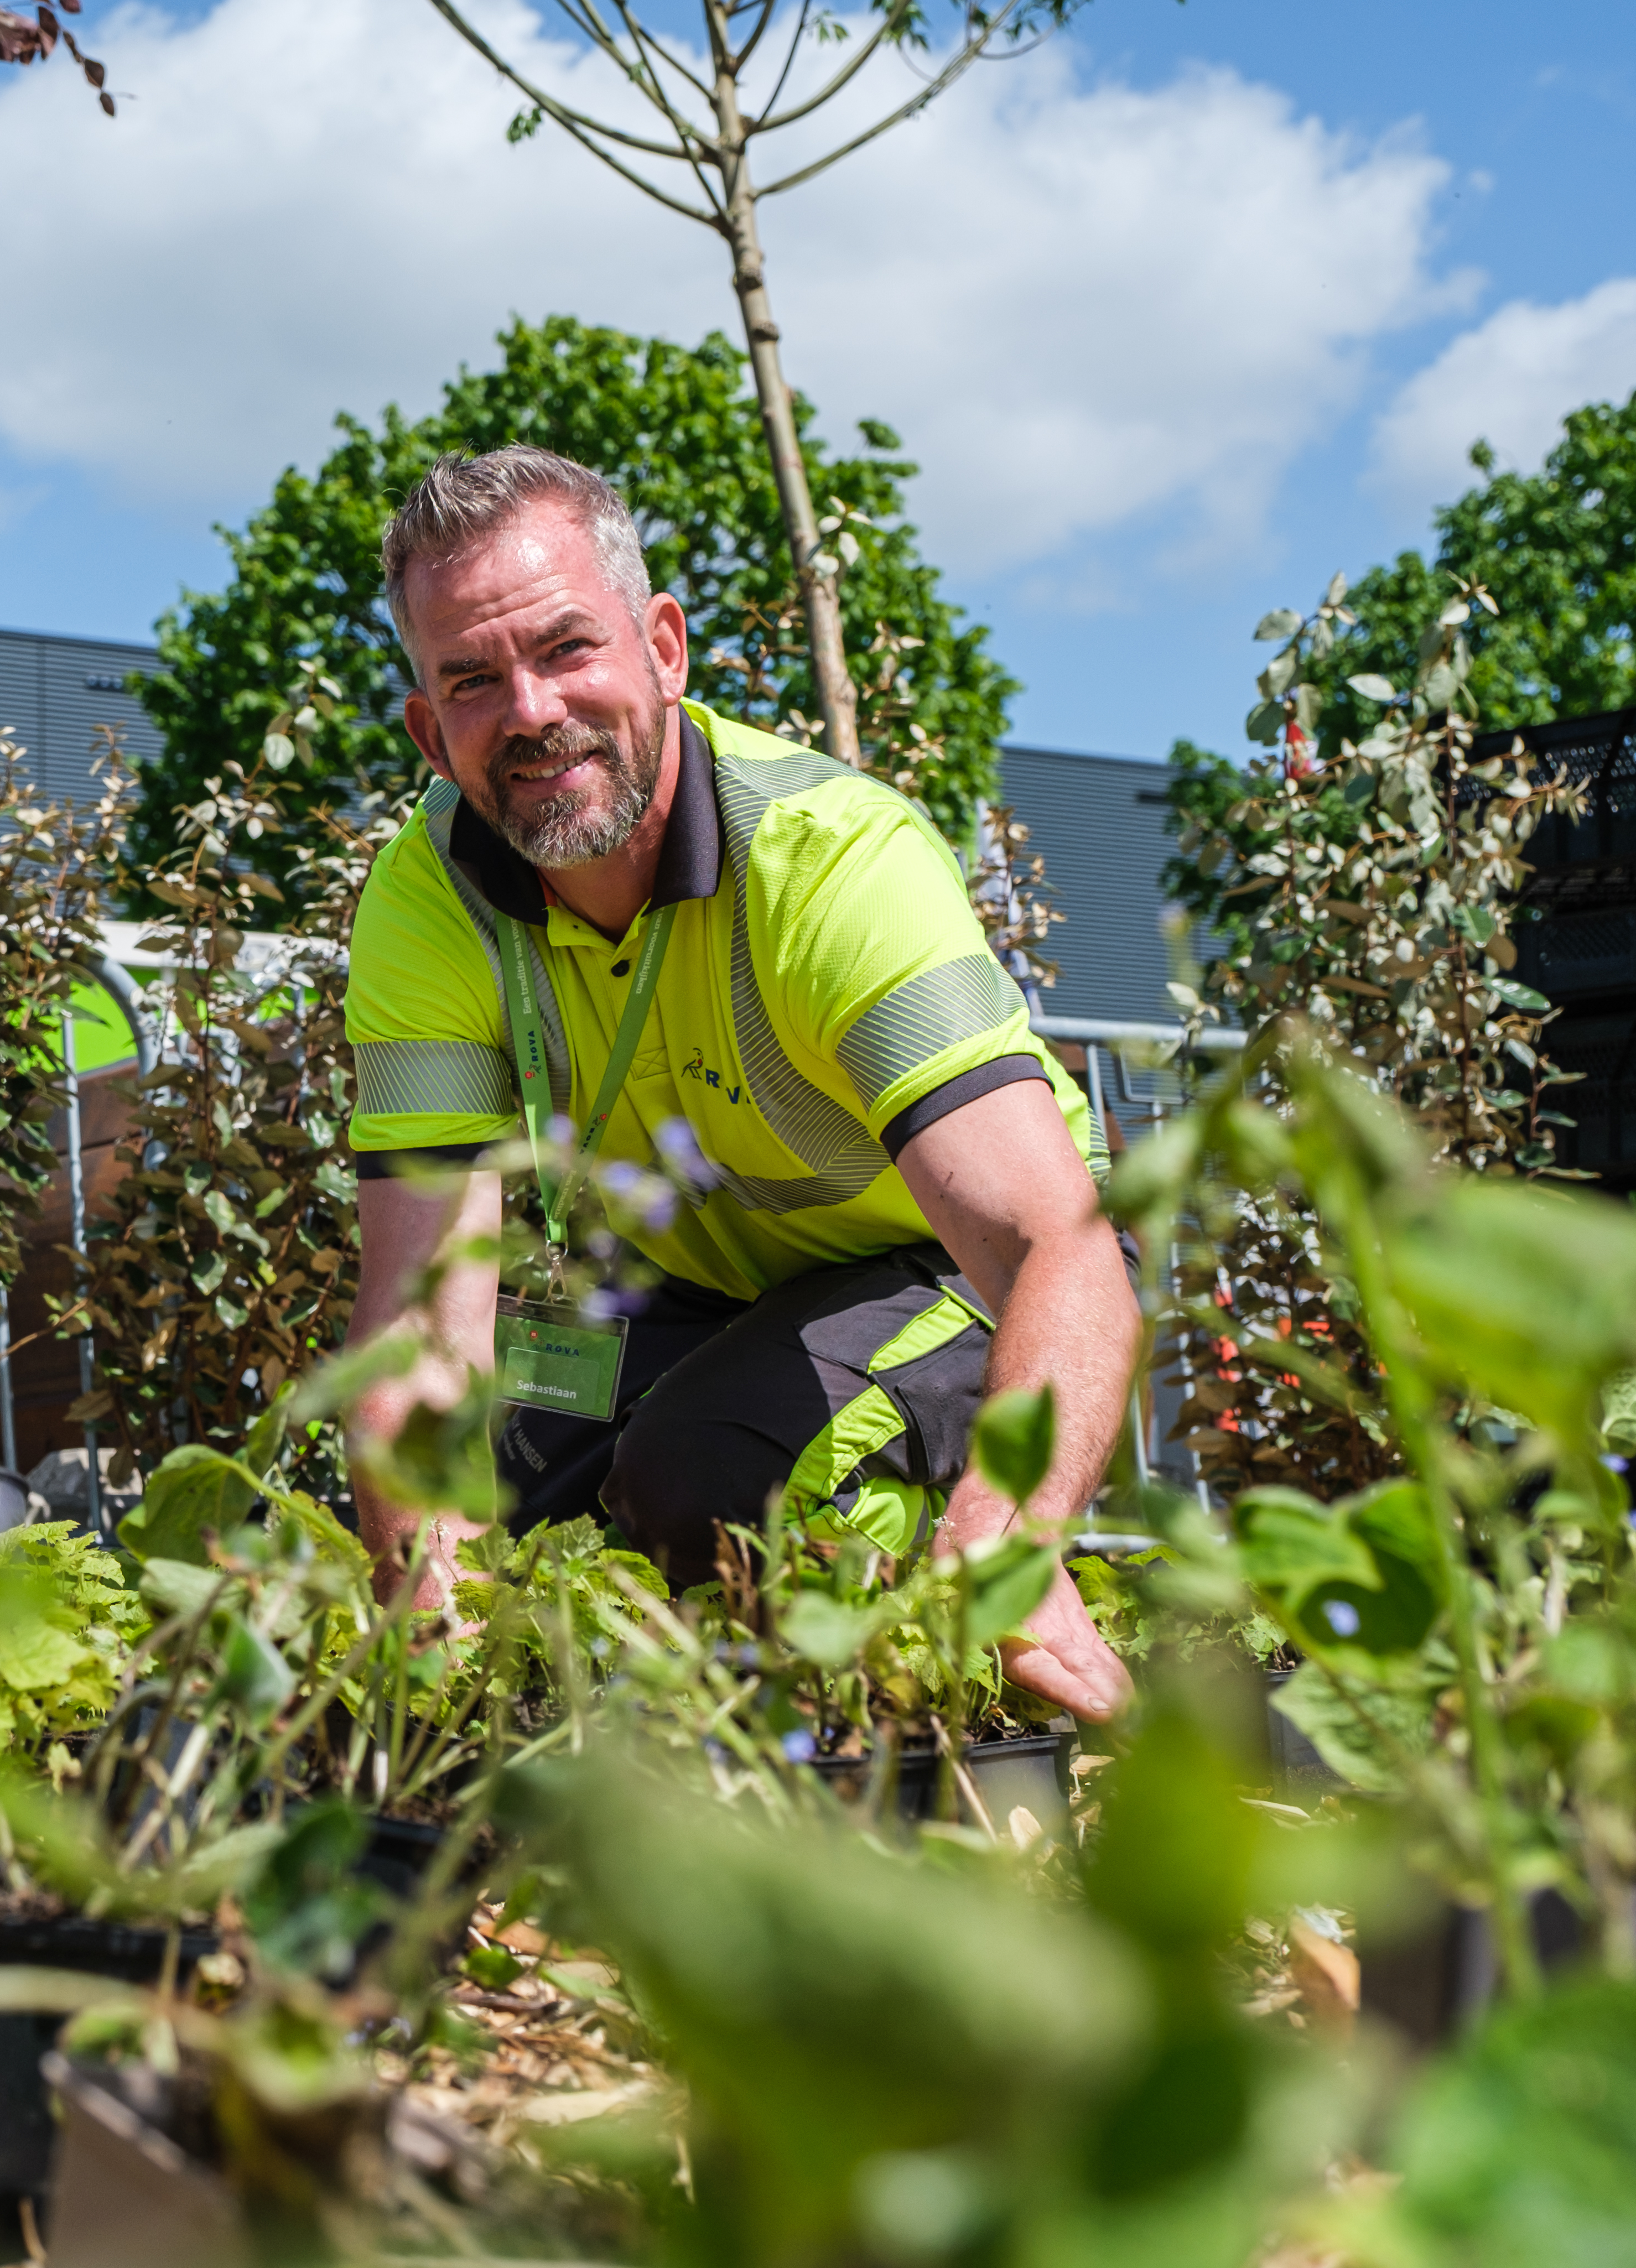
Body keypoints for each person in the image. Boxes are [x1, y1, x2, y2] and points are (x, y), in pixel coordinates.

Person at [341, 445, 1136, 1723]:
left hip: (955, 1267)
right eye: (474, 680)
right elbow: (422, 1325)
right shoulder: (426, 900)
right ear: (432, 735)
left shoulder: (833, 861)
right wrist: (432, 1644)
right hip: (702, 1288)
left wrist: (1011, 1539)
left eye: (567, 647)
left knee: (701, 1471)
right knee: (468, 1468)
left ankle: (909, 1709)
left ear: (664, 647)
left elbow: (1057, 1244)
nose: (532, 710)